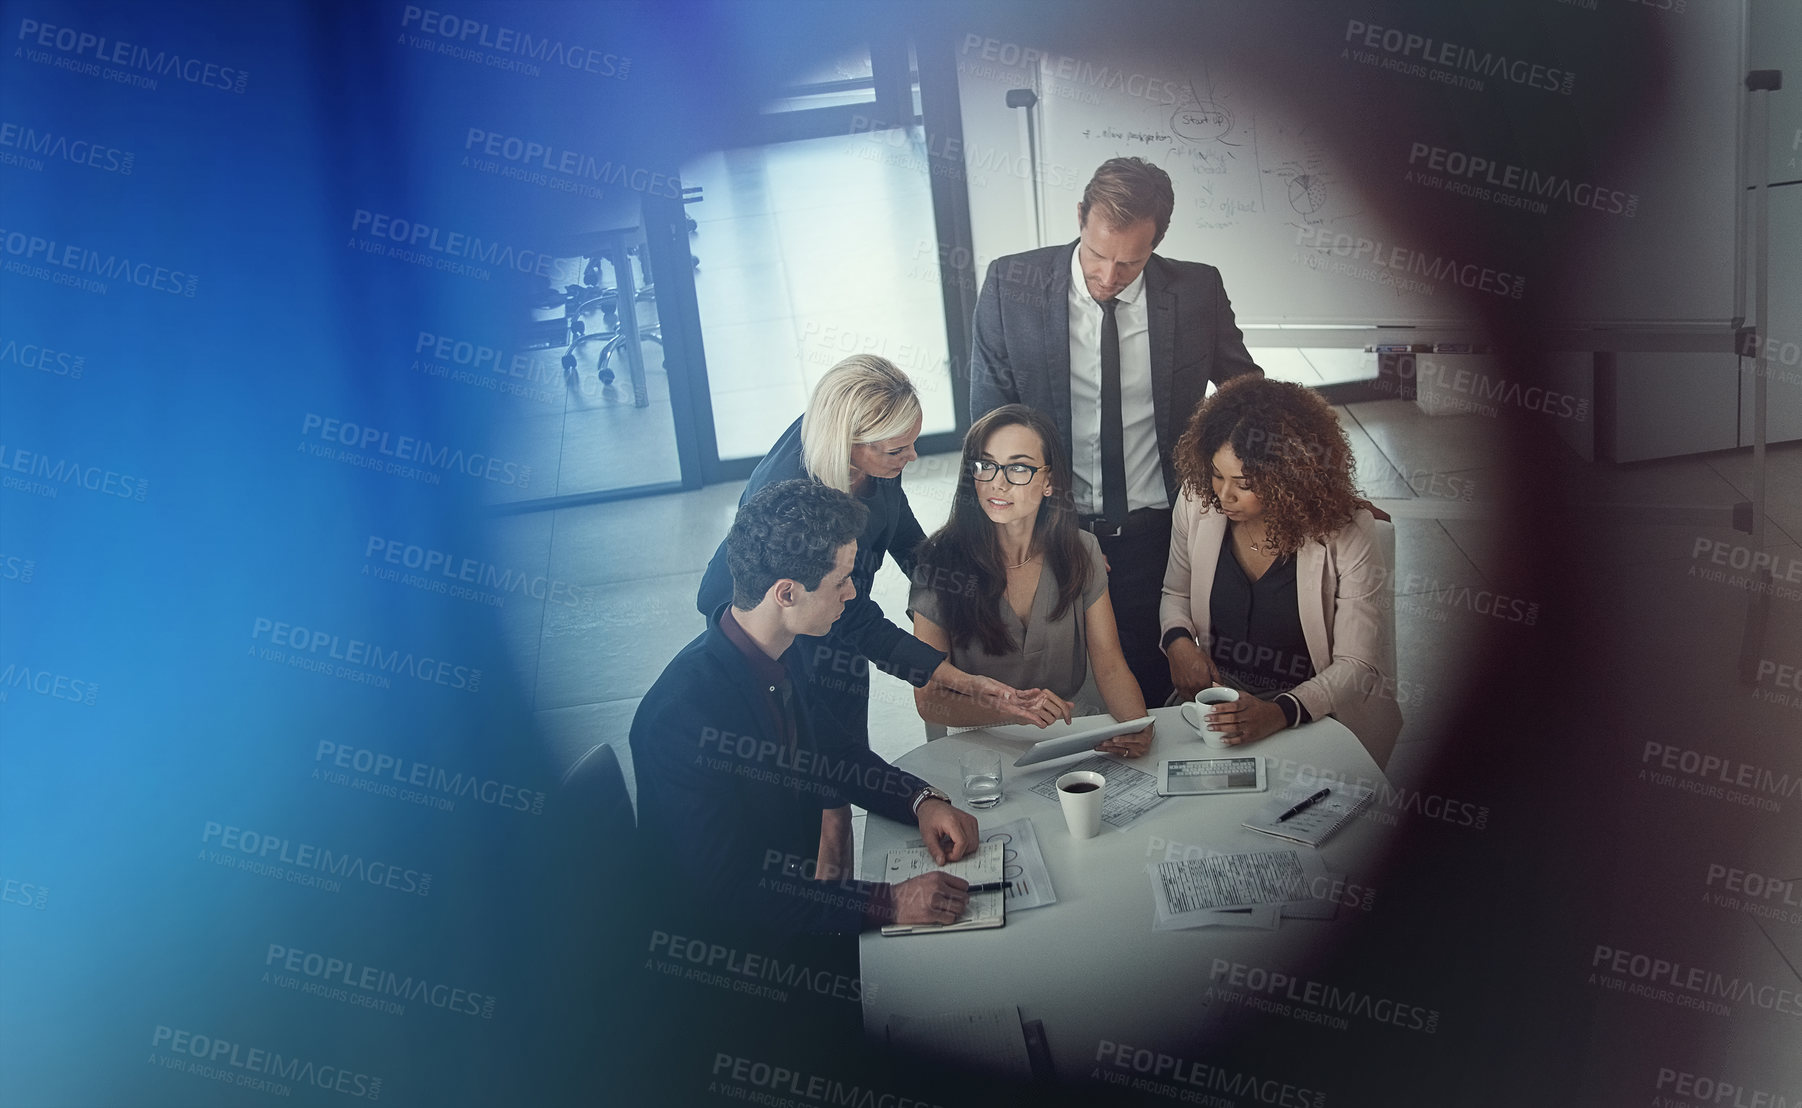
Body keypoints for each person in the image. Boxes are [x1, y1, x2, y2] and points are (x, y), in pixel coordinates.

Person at [631, 480, 980, 1078]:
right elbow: (735, 891)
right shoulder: (682, 717)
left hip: (786, 918)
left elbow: (834, 750)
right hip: (735, 976)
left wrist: (919, 799)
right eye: (842, 580)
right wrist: (890, 899)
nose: (852, 594)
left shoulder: (778, 648)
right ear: (786, 592)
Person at [696, 356, 1046, 879]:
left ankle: (837, 872)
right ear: (849, 443)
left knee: (844, 758)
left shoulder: (874, 464)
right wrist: (951, 676)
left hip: (829, 605)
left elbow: (903, 533)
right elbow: (856, 618)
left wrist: (968, 585)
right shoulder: (794, 494)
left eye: (911, 440)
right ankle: (828, 903)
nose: (913, 455)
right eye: (897, 448)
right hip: (778, 628)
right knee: (817, 787)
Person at [969, 156, 1263, 710]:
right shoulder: (1012, 286)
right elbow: (990, 431)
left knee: (1156, 687)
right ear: (1081, 216)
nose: (1108, 278)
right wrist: (1049, 528)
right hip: (1055, 527)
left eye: (1131, 263)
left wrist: (1319, 482)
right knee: (1064, 696)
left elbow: (1249, 398)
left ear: (1158, 242)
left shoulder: (1197, 289)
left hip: (1160, 527)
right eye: (1099, 255)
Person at [1159, 376, 1403, 767]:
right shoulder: (1196, 501)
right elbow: (1176, 593)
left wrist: (1279, 713)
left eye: (1245, 483)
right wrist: (1177, 643)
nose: (1223, 496)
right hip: (1218, 698)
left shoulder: (1348, 532)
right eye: (1217, 475)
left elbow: (1357, 665)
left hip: (1313, 708)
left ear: (1290, 478)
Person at [908, 405, 1152, 756]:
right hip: (980, 747)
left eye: (1018, 467)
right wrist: (1013, 708)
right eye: (986, 465)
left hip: (1069, 734)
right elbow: (929, 699)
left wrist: (1136, 727)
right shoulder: (938, 560)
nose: (998, 482)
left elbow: (1110, 665)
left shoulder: (1082, 549)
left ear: (1049, 481)